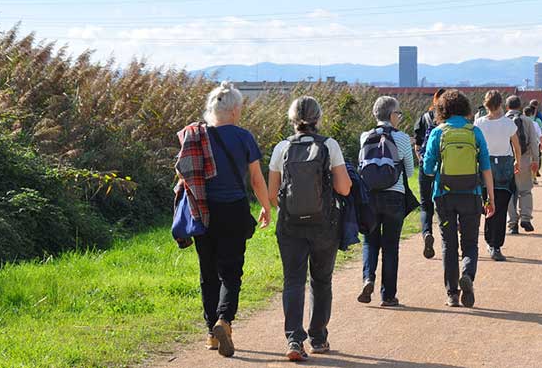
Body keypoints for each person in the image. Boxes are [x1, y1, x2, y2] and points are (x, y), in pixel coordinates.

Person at [176, 81, 272, 358]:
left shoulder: (196, 136)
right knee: (231, 272)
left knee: (208, 273)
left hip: (202, 211)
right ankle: (224, 321)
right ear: (234, 111)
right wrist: (266, 207)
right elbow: (256, 179)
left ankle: (210, 335)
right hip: (234, 210)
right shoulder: (243, 137)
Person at [267, 96, 352, 361]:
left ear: (291, 119)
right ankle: (318, 338)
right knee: (321, 280)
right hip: (323, 225)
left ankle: (294, 340)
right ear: (318, 118)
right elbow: (344, 188)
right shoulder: (329, 145)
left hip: (290, 225)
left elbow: (271, 193)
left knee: (293, 280)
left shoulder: (281, 148)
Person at [423, 90, 495, 308]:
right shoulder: (475, 132)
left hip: (444, 196)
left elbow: (427, 169)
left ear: (442, 109)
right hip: (471, 195)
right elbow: (485, 167)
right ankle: (468, 275)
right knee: (471, 243)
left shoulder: (438, 132)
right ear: (465, 109)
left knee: (448, 243)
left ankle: (452, 294)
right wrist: (490, 198)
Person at [357, 96, 415, 307]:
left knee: (370, 242)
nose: (399, 117)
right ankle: (388, 296)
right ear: (391, 115)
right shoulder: (401, 138)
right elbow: (409, 170)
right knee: (391, 246)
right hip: (394, 196)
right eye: (398, 113)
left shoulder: (365, 136)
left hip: (370, 196)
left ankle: (367, 279)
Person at [474, 90, 521, 261]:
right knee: (500, 208)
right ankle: (496, 245)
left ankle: (489, 239)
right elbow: (516, 145)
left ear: (486, 105)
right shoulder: (508, 123)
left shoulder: (478, 123)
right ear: (500, 104)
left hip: (485, 167)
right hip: (504, 168)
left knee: (488, 205)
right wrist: (517, 161)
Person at [413, 88, 446, 259]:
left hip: (426, 167)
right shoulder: (450, 121)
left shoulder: (424, 118)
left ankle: (427, 233)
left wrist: (422, 160)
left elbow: (417, 145)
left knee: (426, 204)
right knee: (445, 203)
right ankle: (447, 239)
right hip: (446, 168)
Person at [505, 96, 540, 234]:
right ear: (520, 106)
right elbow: (533, 142)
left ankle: (512, 223)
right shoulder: (527, 121)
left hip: (506, 160)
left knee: (508, 192)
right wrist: (535, 160)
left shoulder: (502, 121)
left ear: (507, 106)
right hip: (524, 159)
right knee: (525, 190)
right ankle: (525, 217)